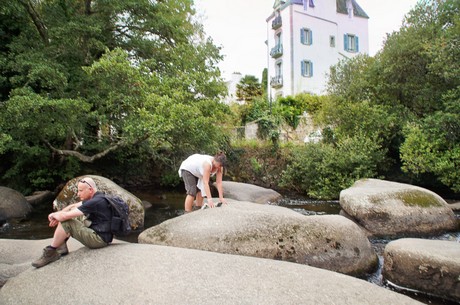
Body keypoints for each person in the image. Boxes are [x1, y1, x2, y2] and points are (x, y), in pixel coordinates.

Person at [32, 177, 113, 268]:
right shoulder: (99, 197)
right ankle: (62, 247)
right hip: (102, 234)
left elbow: (65, 217)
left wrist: (53, 215)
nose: (78, 194)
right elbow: (73, 206)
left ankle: (51, 252)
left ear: (90, 190)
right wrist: (58, 214)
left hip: (99, 240)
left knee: (67, 222)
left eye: (81, 191)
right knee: (70, 213)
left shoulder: (95, 202)